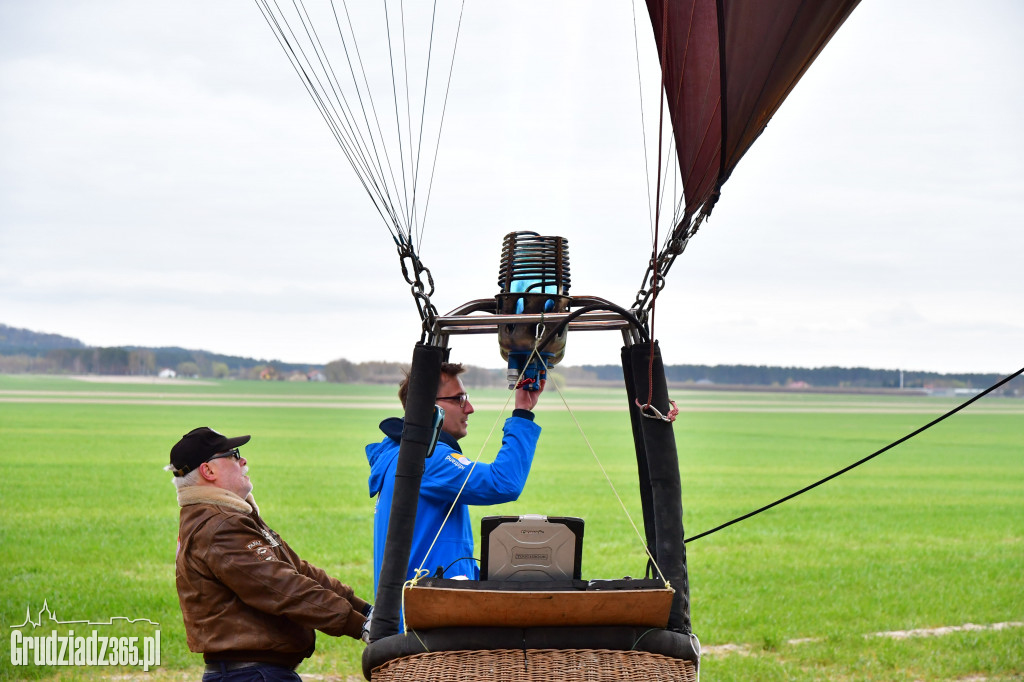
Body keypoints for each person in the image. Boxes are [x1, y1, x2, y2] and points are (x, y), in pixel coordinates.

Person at [167, 426, 372, 681]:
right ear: (208, 471)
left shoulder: (228, 516)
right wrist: (360, 626)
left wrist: (365, 610)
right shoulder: (220, 526)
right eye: (233, 455)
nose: (243, 460)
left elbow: (298, 570)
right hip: (251, 676)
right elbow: (282, 587)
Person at [366, 362, 543, 594]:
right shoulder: (427, 459)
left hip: (418, 605)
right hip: (428, 611)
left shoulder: (399, 453)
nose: (469, 408)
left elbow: (439, 553)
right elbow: (503, 482)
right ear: (428, 408)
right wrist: (522, 413)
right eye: (459, 399)